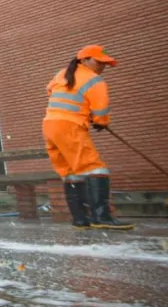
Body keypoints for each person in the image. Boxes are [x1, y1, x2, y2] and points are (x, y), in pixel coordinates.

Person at [43, 45, 133, 230]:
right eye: (99, 61)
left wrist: (82, 110)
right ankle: (101, 218)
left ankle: (80, 219)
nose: (102, 66)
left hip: (50, 125)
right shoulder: (94, 80)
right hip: (69, 127)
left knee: (71, 173)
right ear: (84, 60)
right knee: (96, 169)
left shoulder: (62, 74)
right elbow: (100, 108)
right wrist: (100, 121)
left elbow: (51, 91)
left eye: (105, 63)